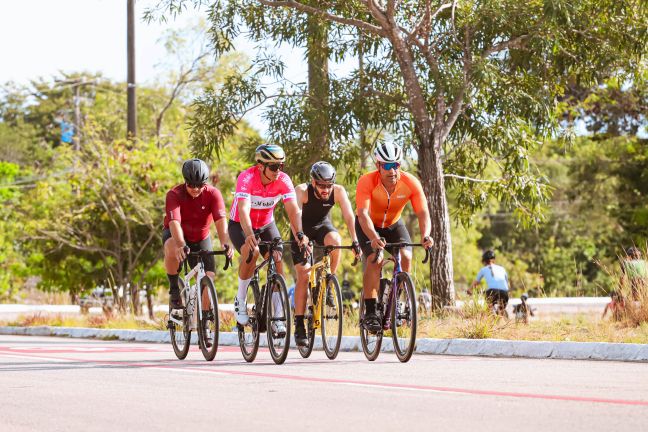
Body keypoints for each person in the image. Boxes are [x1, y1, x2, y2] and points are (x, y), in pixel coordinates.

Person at [227, 144, 310, 337]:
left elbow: (293, 210)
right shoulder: (246, 178)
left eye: (280, 166)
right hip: (240, 224)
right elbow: (243, 210)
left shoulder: (283, 180)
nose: (277, 171)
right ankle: (240, 299)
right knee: (253, 252)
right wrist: (248, 235)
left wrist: (300, 234)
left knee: (277, 258)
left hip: (266, 225)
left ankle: (278, 318)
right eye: (273, 167)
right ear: (261, 166)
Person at [355, 143, 433, 333]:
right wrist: (373, 237)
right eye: (388, 166)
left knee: (406, 256)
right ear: (378, 165)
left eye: (396, 165)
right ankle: (371, 311)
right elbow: (363, 214)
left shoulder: (411, 182)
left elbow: (423, 213)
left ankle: (396, 300)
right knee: (376, 258)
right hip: (369, 225)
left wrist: (426, 235)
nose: (393, 170)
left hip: (394, 225)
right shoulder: (366, 181)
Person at [290, 161, 361, 347]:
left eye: (329, 186)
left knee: (336, 240)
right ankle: (299, 324)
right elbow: (294, 214)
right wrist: (300, 237)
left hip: (322, 226)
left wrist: (355, 240)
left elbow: (348, 216)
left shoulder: (338, 191)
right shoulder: (301, 191)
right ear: (313, 182)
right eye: (321, 186)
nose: (325, 190)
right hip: (300, 229)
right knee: (304, 276)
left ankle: (329, 282)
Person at [163, 158, 234, 313]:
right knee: (171, 246)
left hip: (201, 237)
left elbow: (221, 221)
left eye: (200, 185)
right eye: (191, 185)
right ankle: (174, 289)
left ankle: (206, 321)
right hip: (177, 234)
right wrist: (181, 244)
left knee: (208, 278)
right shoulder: (174, 194)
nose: (195, 189)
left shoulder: (213, 194)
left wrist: (225, 243)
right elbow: (174, 222)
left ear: (205, 182)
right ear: (185, 182)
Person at [470, 250, 510, 316]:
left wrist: (469, 290)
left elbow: (476, 283)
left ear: (484, 261)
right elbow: (507, 282)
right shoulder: (502, 268)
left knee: (489, 309)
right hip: (505, 292)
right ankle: (501, 318)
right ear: (494, 259)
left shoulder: (483, 269)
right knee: (501, 311)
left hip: (492, 291)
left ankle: (491, 316)